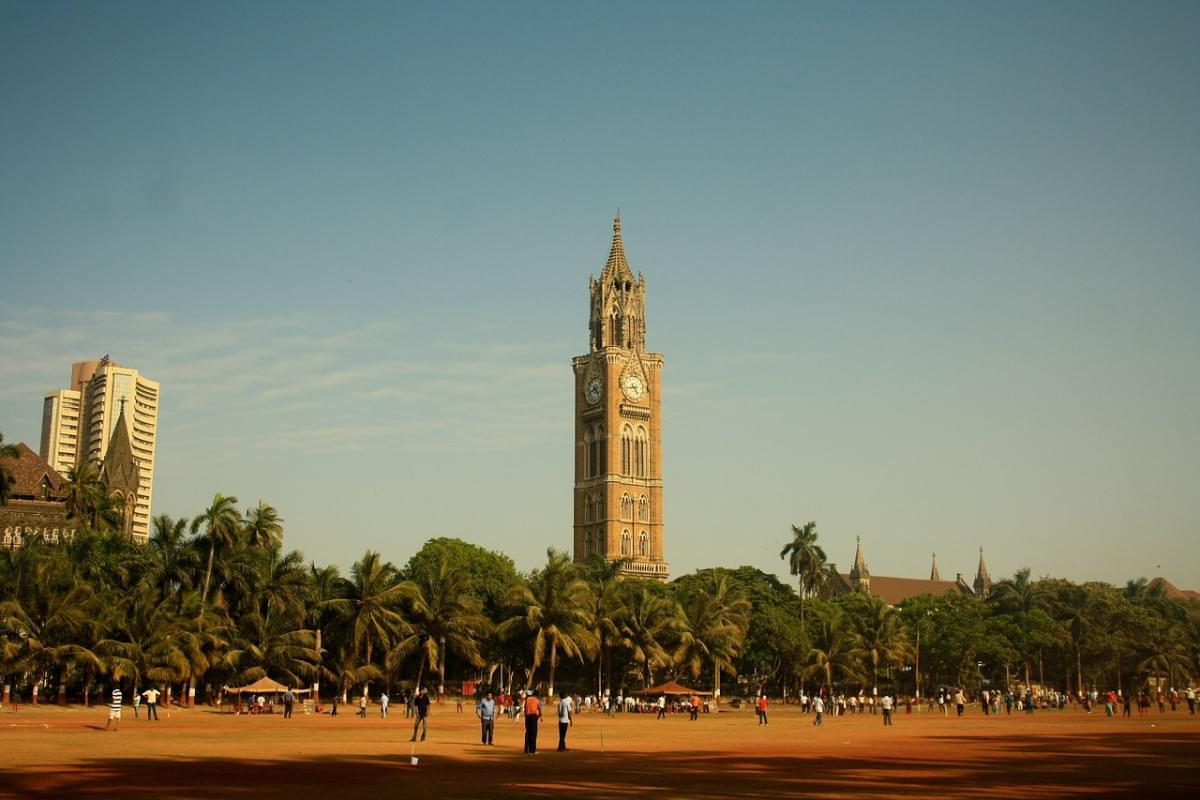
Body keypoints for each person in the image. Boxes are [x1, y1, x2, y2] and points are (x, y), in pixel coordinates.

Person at [523, 689, 543, 754]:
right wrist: (540, 716)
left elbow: (525, 710)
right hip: (533, 716)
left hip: (527, 717)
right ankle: (532, 750)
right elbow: (539, 709)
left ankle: (526, 749)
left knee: (528, 733)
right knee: (533, 734)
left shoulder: (527, 700)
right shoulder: (537, 700)